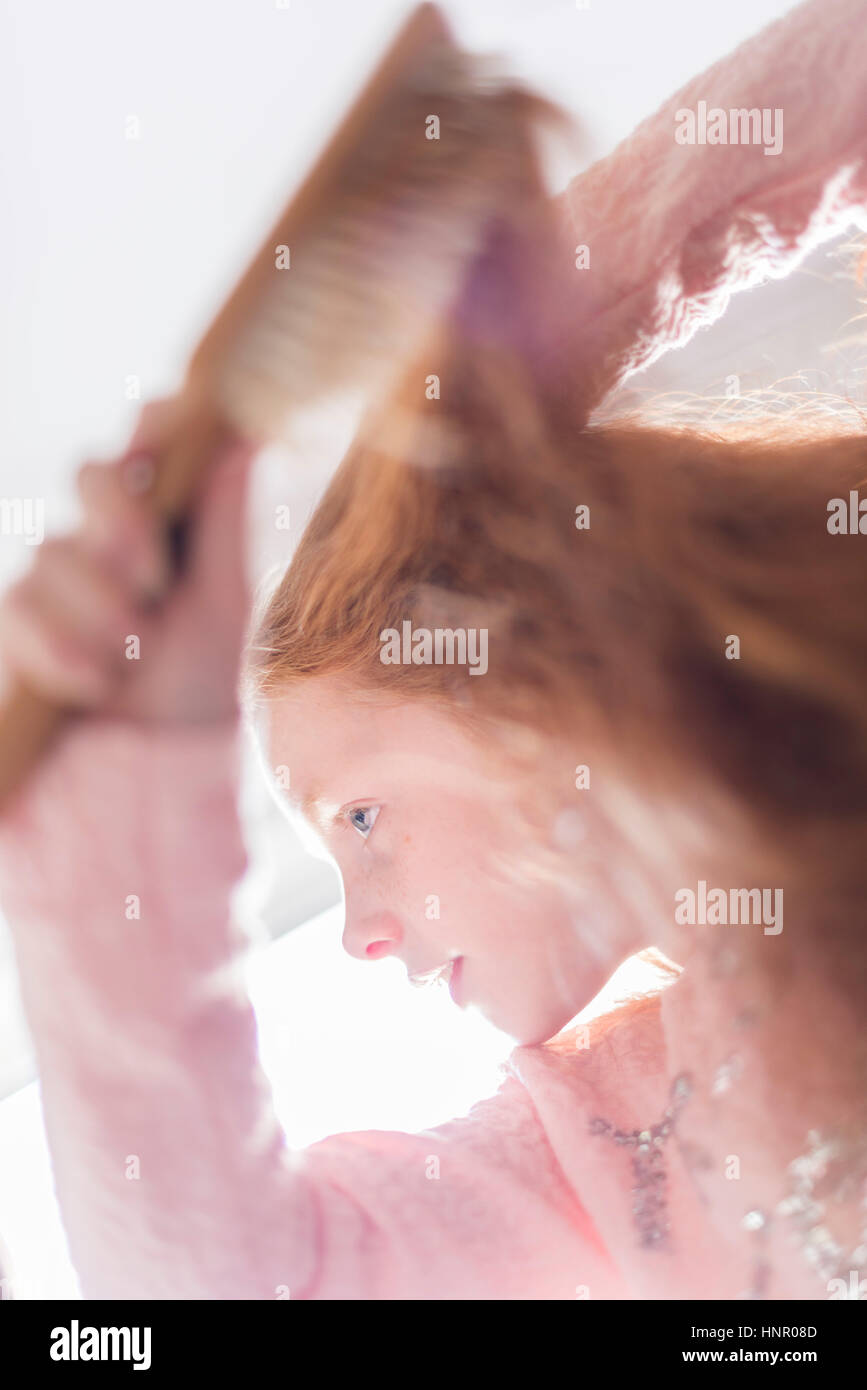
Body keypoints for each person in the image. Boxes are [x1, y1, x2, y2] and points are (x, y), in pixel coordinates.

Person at [0, 0, 866, 1300]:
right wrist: (136, 757)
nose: (358, 933)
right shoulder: (596, 1140)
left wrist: (560, 334)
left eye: (360, 811)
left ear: (529, 688)